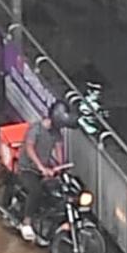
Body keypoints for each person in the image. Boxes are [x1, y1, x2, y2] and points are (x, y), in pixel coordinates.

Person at [15, 100, 77, 241]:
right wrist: (41, 167)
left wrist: (61, 168)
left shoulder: (56, 134)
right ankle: (26, 223)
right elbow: (29, 148)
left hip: (43, 171)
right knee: (36, 191)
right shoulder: (36, 129)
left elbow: (59, 149)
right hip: (27, 168)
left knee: (56, 193)